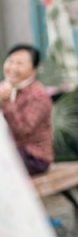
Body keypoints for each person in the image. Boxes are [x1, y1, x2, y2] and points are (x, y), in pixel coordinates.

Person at [0, 44, 54, 175]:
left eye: (19, 64)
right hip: (9, 151)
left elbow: (23, 131)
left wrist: (6, 102)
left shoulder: (38, 95)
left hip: (34, 157)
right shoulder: (5, 88)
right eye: (10, 61)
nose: (12, 67)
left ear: (34, 69)